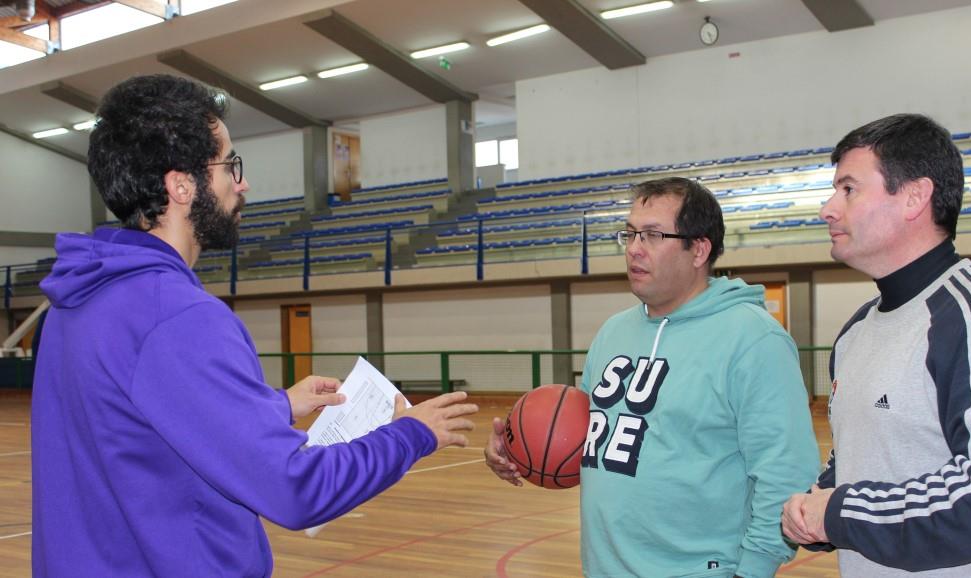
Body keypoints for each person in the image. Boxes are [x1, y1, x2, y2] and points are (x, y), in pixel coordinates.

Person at [30, 74, 478, 577]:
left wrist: (277, 405)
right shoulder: (179, 317)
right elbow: (297, 489)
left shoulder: (75, 301)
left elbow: (144, 428)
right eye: (229, 166)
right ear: (181, 185)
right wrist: (411, 435)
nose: (241, 184)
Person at [485, 177, 820, 577]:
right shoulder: (612, 333)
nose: (634, 248)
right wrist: (518, 450)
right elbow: (591, 443)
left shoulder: (754, 339)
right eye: (630, 234)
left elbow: (786, 471)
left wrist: (754, 569)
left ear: (698, 250)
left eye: (652, 235)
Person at [781, 113, 971, 576]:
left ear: (914, 196)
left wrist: (839, 513)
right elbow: (860, 455)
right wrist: (818, 500)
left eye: (848, 189)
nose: (828, 209)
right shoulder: (856, 331)